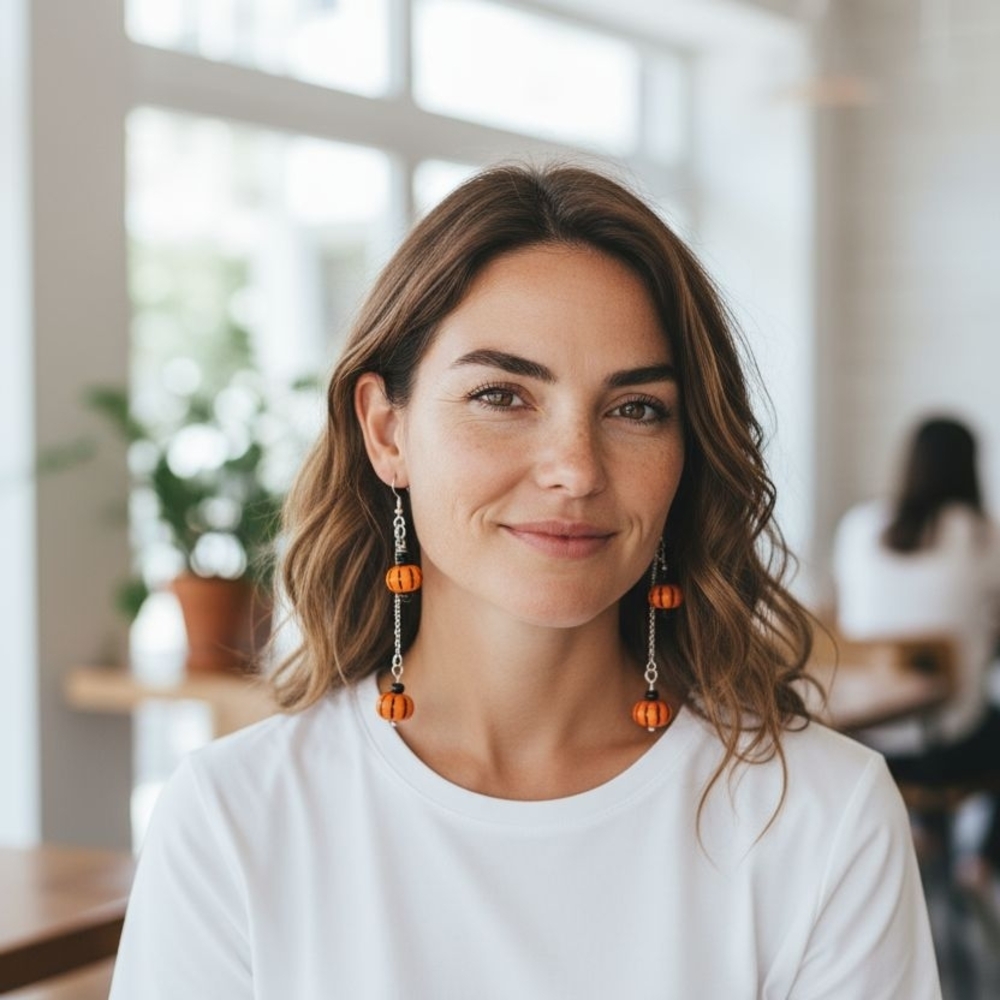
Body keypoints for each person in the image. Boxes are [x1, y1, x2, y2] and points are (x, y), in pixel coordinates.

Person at [110, 164, 940, 998]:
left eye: (636, 408)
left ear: (685, 455)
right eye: (502, 395)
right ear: (387, 431)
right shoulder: (234, 819)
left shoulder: (821, 817)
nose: (575, 470)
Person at [833, 417, 1000, 874]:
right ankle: (982, 862)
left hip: (870, 737)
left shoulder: (859, 526)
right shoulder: (981, 534)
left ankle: (923, 832)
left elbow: (851, 622)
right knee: (971, 712)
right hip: (946, 744)